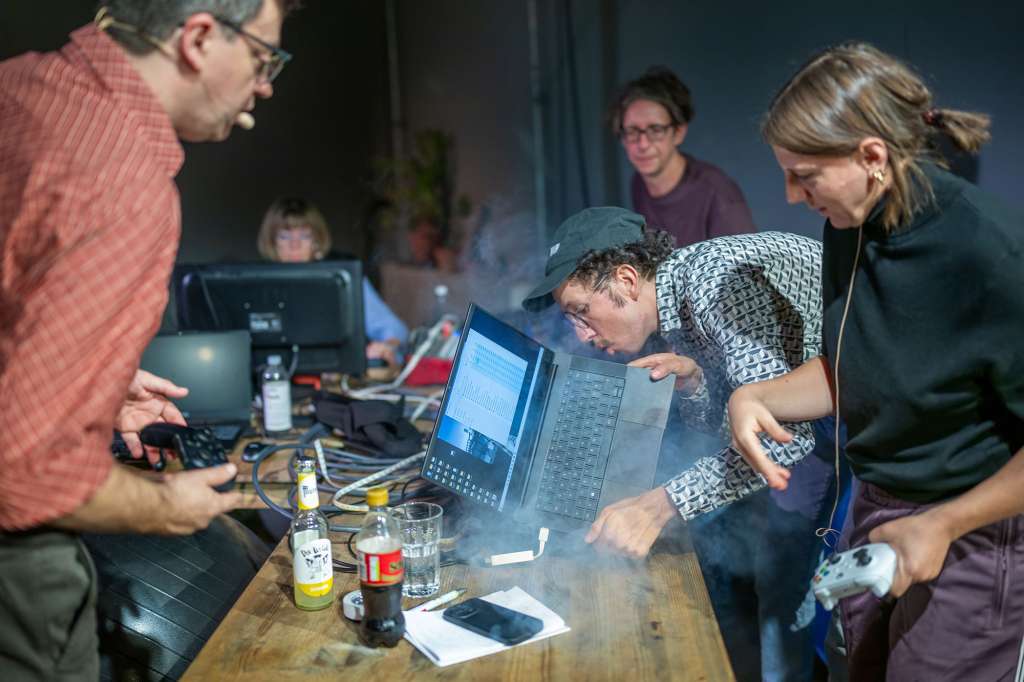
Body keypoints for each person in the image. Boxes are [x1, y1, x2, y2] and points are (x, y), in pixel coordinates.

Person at [0, 1, 298, 679]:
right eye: (262, 58)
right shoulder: (122, 182)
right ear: (199, 38)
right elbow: (27, 471)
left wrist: (96, 385)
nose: (265, 85)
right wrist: (167, 507)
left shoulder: (18, 87)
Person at [728, 42, 1024, 680]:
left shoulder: (991, 253)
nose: (792, 195)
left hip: (975, 528)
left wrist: (945, 523)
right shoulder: (849, 224)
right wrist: (754, 396)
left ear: (871, 156)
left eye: (805, 175)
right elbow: (855, 369)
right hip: (880, 509)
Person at [522, 207, 838, 681]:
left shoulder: (711, 283)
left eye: (581, 311)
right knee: (730, 559)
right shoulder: (677, 302)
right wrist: (695, 385)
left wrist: (661, 505)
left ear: (627, 280)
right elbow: (736, 423)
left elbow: (779, 442)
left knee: (780, 588)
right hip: (811, 422)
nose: (581, 334)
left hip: (840, 427)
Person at [608, 67, 756, 247]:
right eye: (632, 131)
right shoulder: (639, 183)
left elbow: (748, 264)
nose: (643, 144)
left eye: (656, 130)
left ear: (678, 132)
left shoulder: (718, 194)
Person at [257, 196, 410, 367]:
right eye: (284, 237)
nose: (295, 245)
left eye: (304, 236)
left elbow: (394, 329)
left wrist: (387, 346)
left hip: (332, 376)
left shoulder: (343, 279)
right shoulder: (255, 283)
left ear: (316, 242)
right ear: (272, 242)